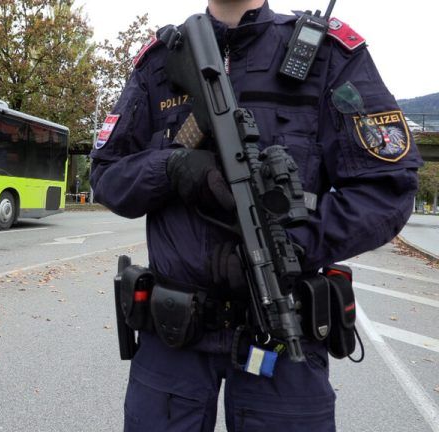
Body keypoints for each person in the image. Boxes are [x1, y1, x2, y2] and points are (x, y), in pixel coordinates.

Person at [91, 0, 422, 431]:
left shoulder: (328, 55)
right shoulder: (159, 62)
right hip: (173, 341)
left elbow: (387, 188)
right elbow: (107, 175)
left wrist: (292, 245)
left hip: (284, 333)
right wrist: (170, 168)